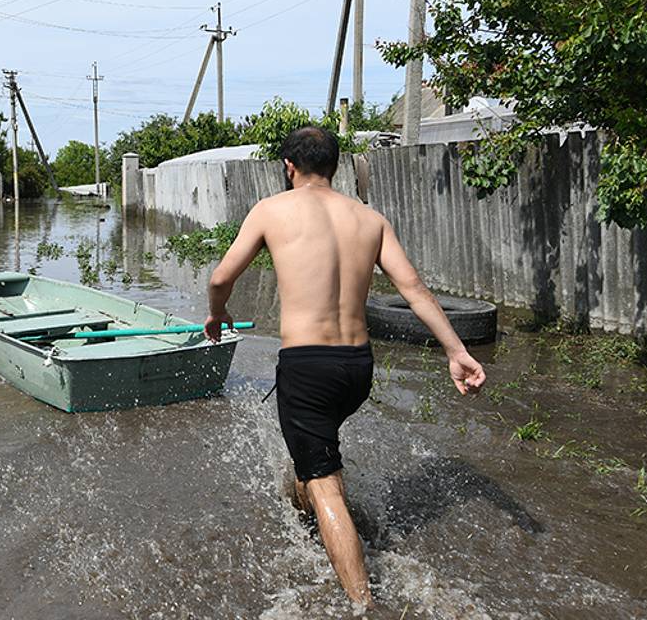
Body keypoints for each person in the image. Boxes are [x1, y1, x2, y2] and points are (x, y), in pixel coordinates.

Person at [204, 126, 487, 607]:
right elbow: (414, 288)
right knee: (313, 461)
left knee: (325, 485)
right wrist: (456, 351)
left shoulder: (272, 210)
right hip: (356, 368)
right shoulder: (370, 219)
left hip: (307, 366)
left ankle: (363, 605)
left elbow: (220, 276)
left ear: (288, 166)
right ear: (335, 167)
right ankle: (312, 506)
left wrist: (218, 312)